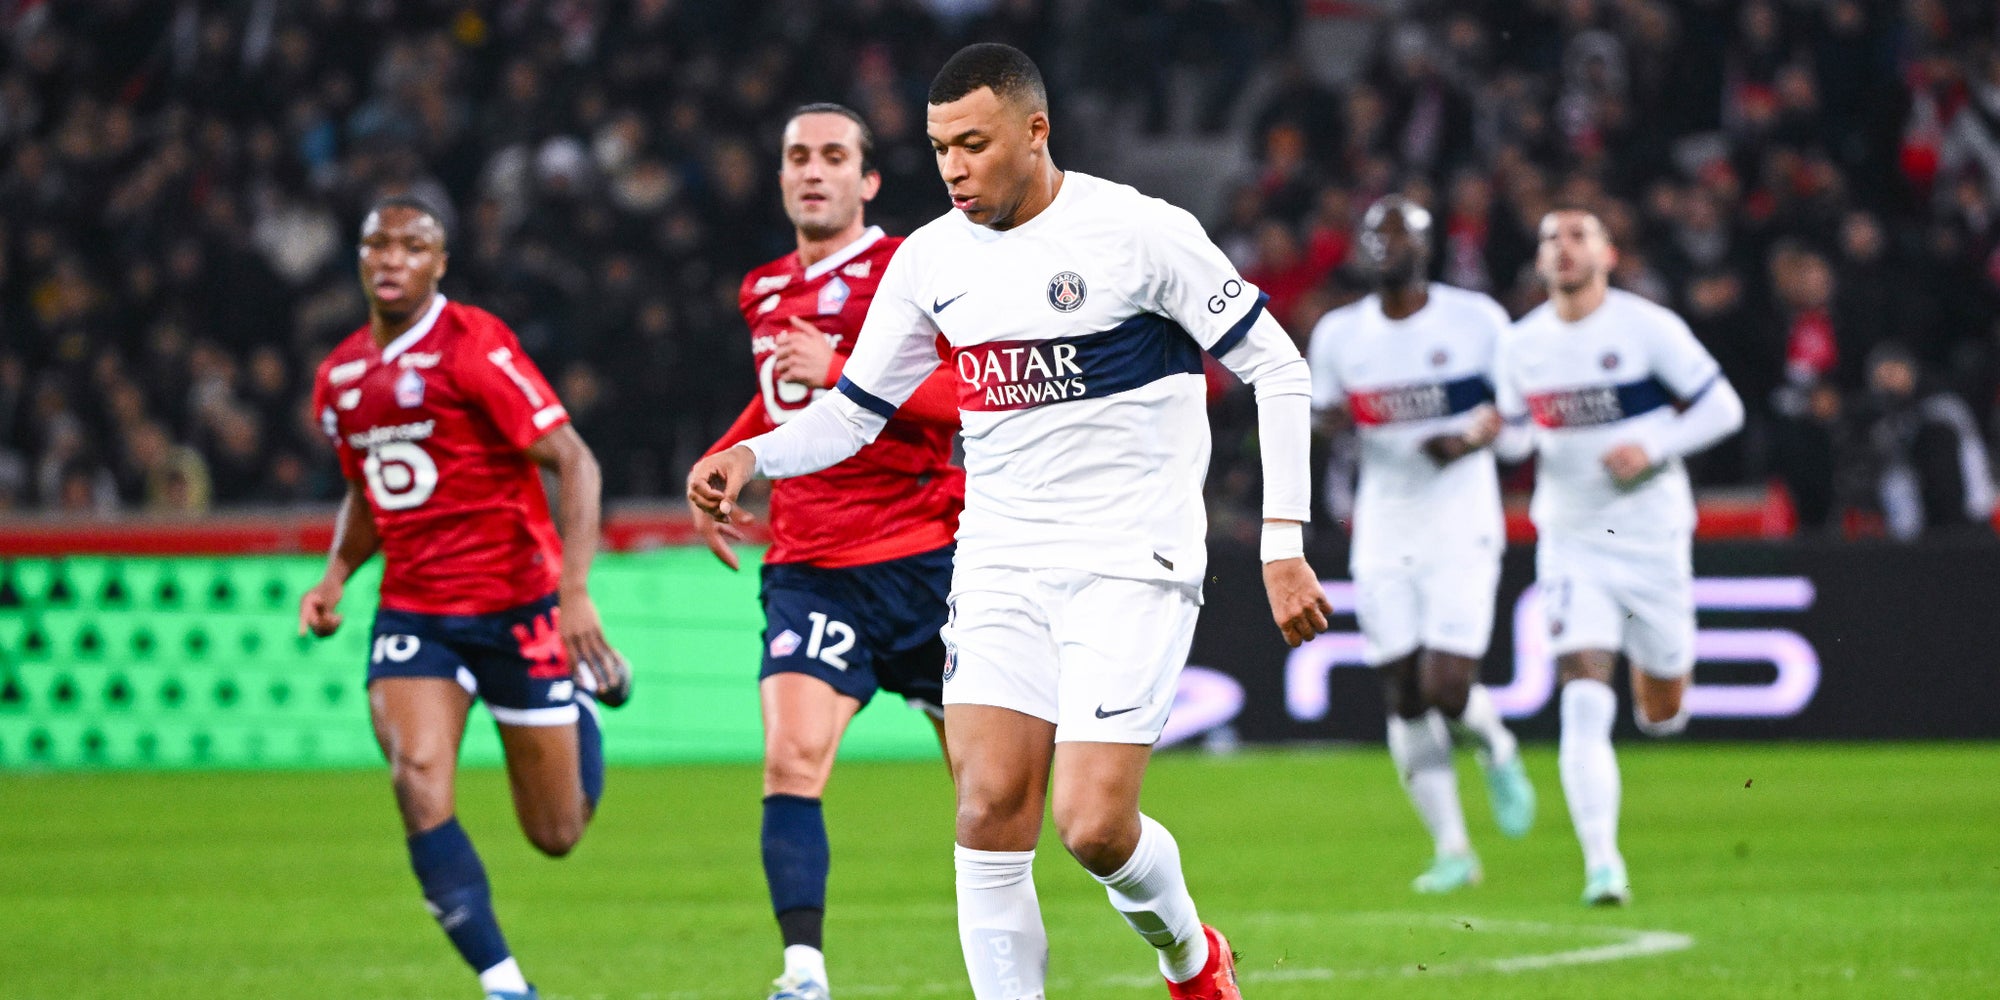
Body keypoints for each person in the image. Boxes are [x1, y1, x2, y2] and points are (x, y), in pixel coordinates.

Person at [690, 43, 1332, 1000]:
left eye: (974, 144)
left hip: (1131, 562)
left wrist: (1284, 544)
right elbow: (856, 412)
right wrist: (754, 457)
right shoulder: (931, 259)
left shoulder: (1139, 232)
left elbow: (1277, 367)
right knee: (987, 810)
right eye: (939, 147)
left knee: (1094, 828)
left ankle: (1193, 960)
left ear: (1036, 132)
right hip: (996, 565)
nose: (953, 168)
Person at [299, 196, 630, 1000]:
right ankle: (504, 984)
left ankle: (581, 696)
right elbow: (369, 492)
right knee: (416, 779)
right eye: (378, 243)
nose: (392, 258)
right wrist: (337, 575)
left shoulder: (474, 344)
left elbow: (576, 460)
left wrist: (573, 592)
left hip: (517, 607)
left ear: (439, 263)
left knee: (556, 832)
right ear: (360, 257)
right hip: (416, 614)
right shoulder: (339, 378)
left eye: (412, 246)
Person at [692, 102, 965, 1000]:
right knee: (790, 761)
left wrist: (843, 369)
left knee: (995, 799)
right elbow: (780, 401)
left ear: (868, 179)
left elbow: (969, 395)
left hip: (926, 561)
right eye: (798, 156)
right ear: (780, 176)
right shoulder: (763, 289)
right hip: (811, 568)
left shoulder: (911, 268)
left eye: (834, 156)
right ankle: (803, 973)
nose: (814, 170)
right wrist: (728, 459)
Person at [1493, 208, 1744, 906]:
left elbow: (1723, 408)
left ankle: (1661, 697)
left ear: (1607, 253)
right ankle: (1604, 866)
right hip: (1572, 541)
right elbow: (1515, 436)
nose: (1564, 248)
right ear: (1539, 260)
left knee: (1662, 709)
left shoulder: (1647, 328)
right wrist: (1495, 433)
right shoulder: (1520, 345)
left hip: (1651, 538)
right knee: (1581, 696)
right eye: (1551, 238)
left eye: (1579, 236)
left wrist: (1654, 446)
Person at [1305, 195, 1535, 895]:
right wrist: (1329, 426)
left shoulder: (1477, 321)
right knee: (1403, 693)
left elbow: (1520, 430)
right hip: (1384, 522)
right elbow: (1316, 423)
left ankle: (1496, 746)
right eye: (1376, 236)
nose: (1387, 247)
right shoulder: (1340, 335)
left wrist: (1470, 438)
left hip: (1461, 520)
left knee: (1446, 684)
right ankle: (1453, 849)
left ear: (1427, 247)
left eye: (1401, 235)